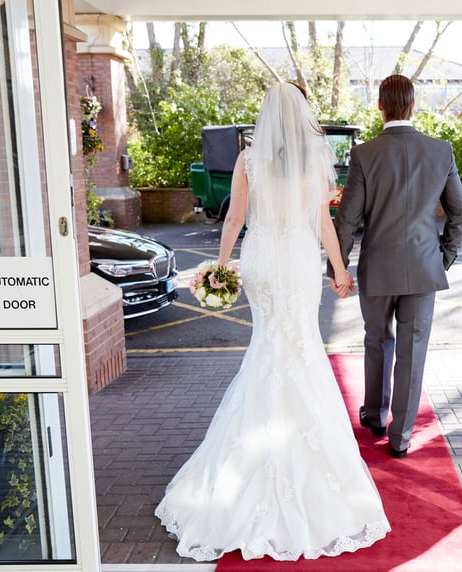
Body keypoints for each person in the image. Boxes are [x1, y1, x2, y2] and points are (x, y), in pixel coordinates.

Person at [155, 82, 390, 561]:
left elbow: (234, 219)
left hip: (263, 260)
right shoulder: (315, 159)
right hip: (299, 262)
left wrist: (220, 266)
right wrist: (339, 270)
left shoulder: (248, 160)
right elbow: (323, 223)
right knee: (299, 343)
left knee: (268, 344)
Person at [328, 74, 462, 459]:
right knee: (413, 349)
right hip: (424, 269)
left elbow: (346, 220)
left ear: (379, 106)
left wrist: (338, 269)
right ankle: (401, 437)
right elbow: (460, 214)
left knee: (376, 341)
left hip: (377, 268)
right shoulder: (441, 151)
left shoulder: (365, 154)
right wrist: (444, 258)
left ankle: (375, 416)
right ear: (413, 105)